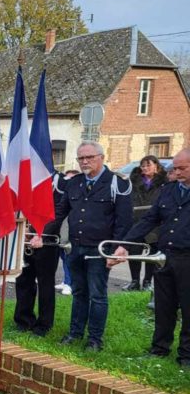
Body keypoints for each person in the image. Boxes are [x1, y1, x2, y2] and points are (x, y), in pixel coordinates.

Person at [112, 148, 190, 367]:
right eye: (174, 168)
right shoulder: (169, 191)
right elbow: (149, 219)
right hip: (166, 256)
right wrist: (125, 243)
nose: (177, 172)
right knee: (164, 306)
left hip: (188, 258)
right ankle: (159, 349)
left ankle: (186, 356)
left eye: (182, 168)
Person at [56, 141, 133, 351]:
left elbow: (124, 220)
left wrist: (117, 247)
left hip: (100, 249)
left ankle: (95, 340)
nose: (85, 161)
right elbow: (60, 213)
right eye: (81, 158)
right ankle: (75, 333)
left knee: (98, 295)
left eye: (89, 157)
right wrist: (41, 233)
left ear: (101, 157)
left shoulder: (117, 183)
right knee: (79, 293)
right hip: (77, 247)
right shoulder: (74, 183)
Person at [14, 172, 67, 336]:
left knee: (45, 283)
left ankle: (44, 324)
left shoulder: (57, 180)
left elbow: (58, 212)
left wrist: (40, 233)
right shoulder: (23, 174)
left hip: (46, 240)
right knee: (23, 280)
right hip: (24, 236)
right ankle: (24, 320)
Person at [126, 155, 167, 292]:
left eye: (148, 165)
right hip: (136, 221)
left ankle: (148, 281)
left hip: (155, 223)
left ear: (156, 166)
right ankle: (134, 281)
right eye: (143, 165)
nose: (145, 168)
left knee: (152, 254)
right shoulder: (133, 181)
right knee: (134, 252)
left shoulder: (164, 182)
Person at [55, 170, 78, 296]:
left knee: (69, 257)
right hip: (61, 228)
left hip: (71, 229)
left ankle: (70, 284)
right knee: (64, 257)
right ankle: (66, 281)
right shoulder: (63, 193)